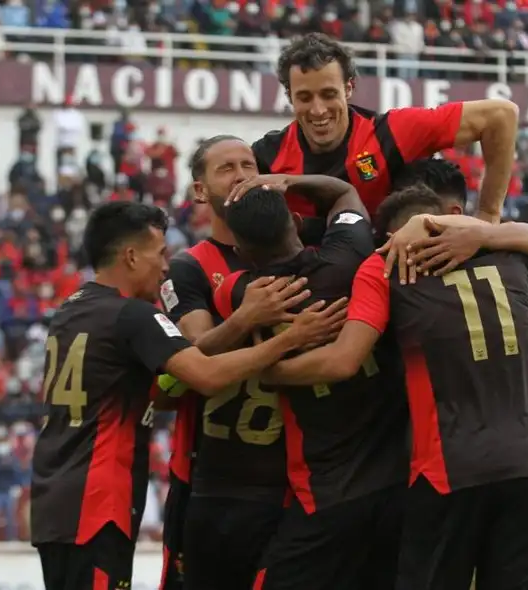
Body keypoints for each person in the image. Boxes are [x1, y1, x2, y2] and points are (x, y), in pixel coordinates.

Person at [257, 184, 528, 590]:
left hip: (448, 472)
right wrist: (490, 235)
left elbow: (343, 360)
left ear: (393, 237)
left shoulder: (386, 266)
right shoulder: (508, 253)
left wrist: (271, 371)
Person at [29, 201, 347, 590]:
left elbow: (163, 388)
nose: (165, 267)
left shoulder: (70, 310)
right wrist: (291, 339)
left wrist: (236, 327)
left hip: (54, 501)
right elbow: (207, 376)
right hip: (97, 503)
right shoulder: (135, 316)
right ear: (131, 256)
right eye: (160, 253)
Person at [160, 135, 362, 590]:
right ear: (199, 191)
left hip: (297, 480)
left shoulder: (302, 238)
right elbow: (190, 360)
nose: (241, 176)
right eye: (226, 169)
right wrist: (245, 319)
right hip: (219, 474)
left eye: (248, 165)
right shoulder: (190, 266)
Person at [248, 32, 519, 229]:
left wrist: (488, 217)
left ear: (349, 88)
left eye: (329, 95)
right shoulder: (266, 156)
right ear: (289, 96)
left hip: (387, 271)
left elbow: (501, 115)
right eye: (305, 98)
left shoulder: (391, 133)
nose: (318, 110)